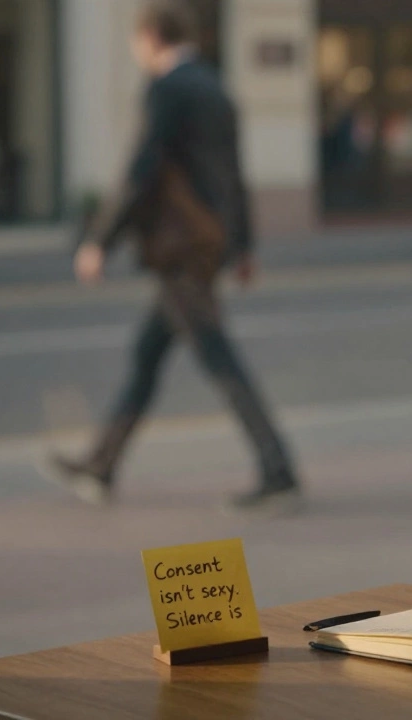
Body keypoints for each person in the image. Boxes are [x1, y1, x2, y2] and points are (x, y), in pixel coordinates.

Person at [49, 0, 300, 515]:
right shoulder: (216, 87)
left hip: (180, 249)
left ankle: (279, 472)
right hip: (206, 246)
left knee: (218, 358)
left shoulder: (166, 88)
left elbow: (140, 169)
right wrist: (243, 245)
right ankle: (101, 465)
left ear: (149, 37)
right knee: (146, 356)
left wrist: (100, 239)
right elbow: (234, 173)